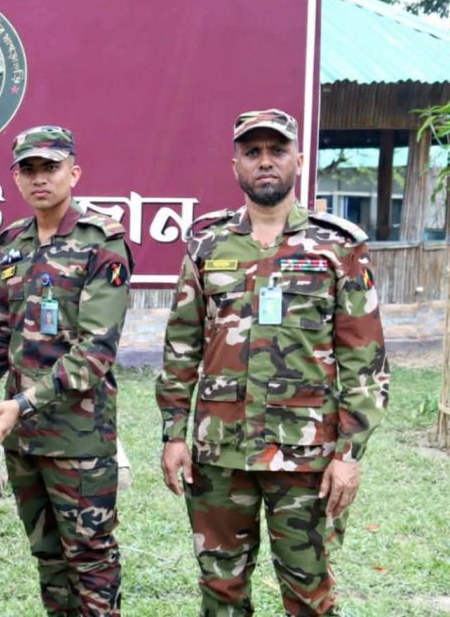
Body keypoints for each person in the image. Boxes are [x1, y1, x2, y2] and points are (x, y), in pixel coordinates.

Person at [156, 108, 390, 616]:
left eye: (277, 151)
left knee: (309, 593)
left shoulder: (339, 246)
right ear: (234, 164)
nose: (265, 162)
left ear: (299, 161)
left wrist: (349, 455)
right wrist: (175, 432)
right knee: (221, 590)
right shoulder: (206, 243)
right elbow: (181, 346)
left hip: (307, 457)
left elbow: (365, 360)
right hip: (219, 455)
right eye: (252, 152)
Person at [0, 126, 133, 617]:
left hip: (78, 438)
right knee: (48, 558)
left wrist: (21, 403)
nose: (39, 178)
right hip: (22, 438)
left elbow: (96, 351)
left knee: (90, 560)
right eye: (29, 169)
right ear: (16, 178)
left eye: (50, 167)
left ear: (74, 173)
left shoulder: (101, 241)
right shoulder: (12, 244)